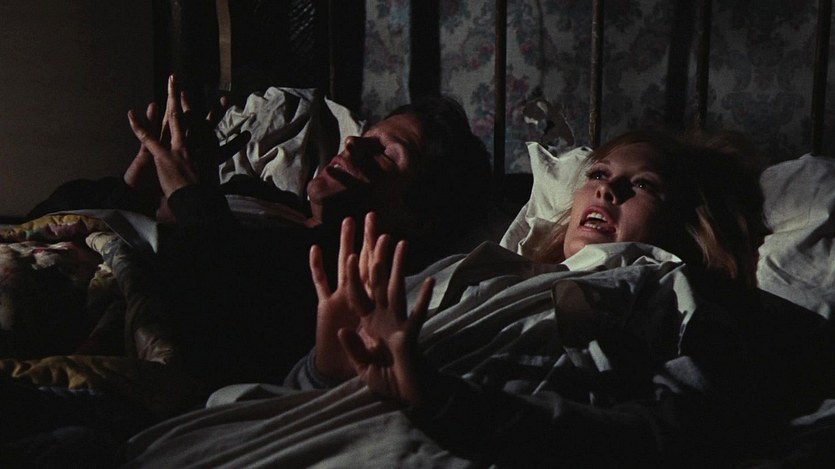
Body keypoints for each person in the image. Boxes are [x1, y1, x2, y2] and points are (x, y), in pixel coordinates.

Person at [291, 130, 831, 466]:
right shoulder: (469, 268)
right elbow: (295, 400)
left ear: (685, 223)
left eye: (643, 185)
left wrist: (446, 403)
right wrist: (323, 366)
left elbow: (671, 434)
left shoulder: (676, 292)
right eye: (598, 173)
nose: (607, 189)